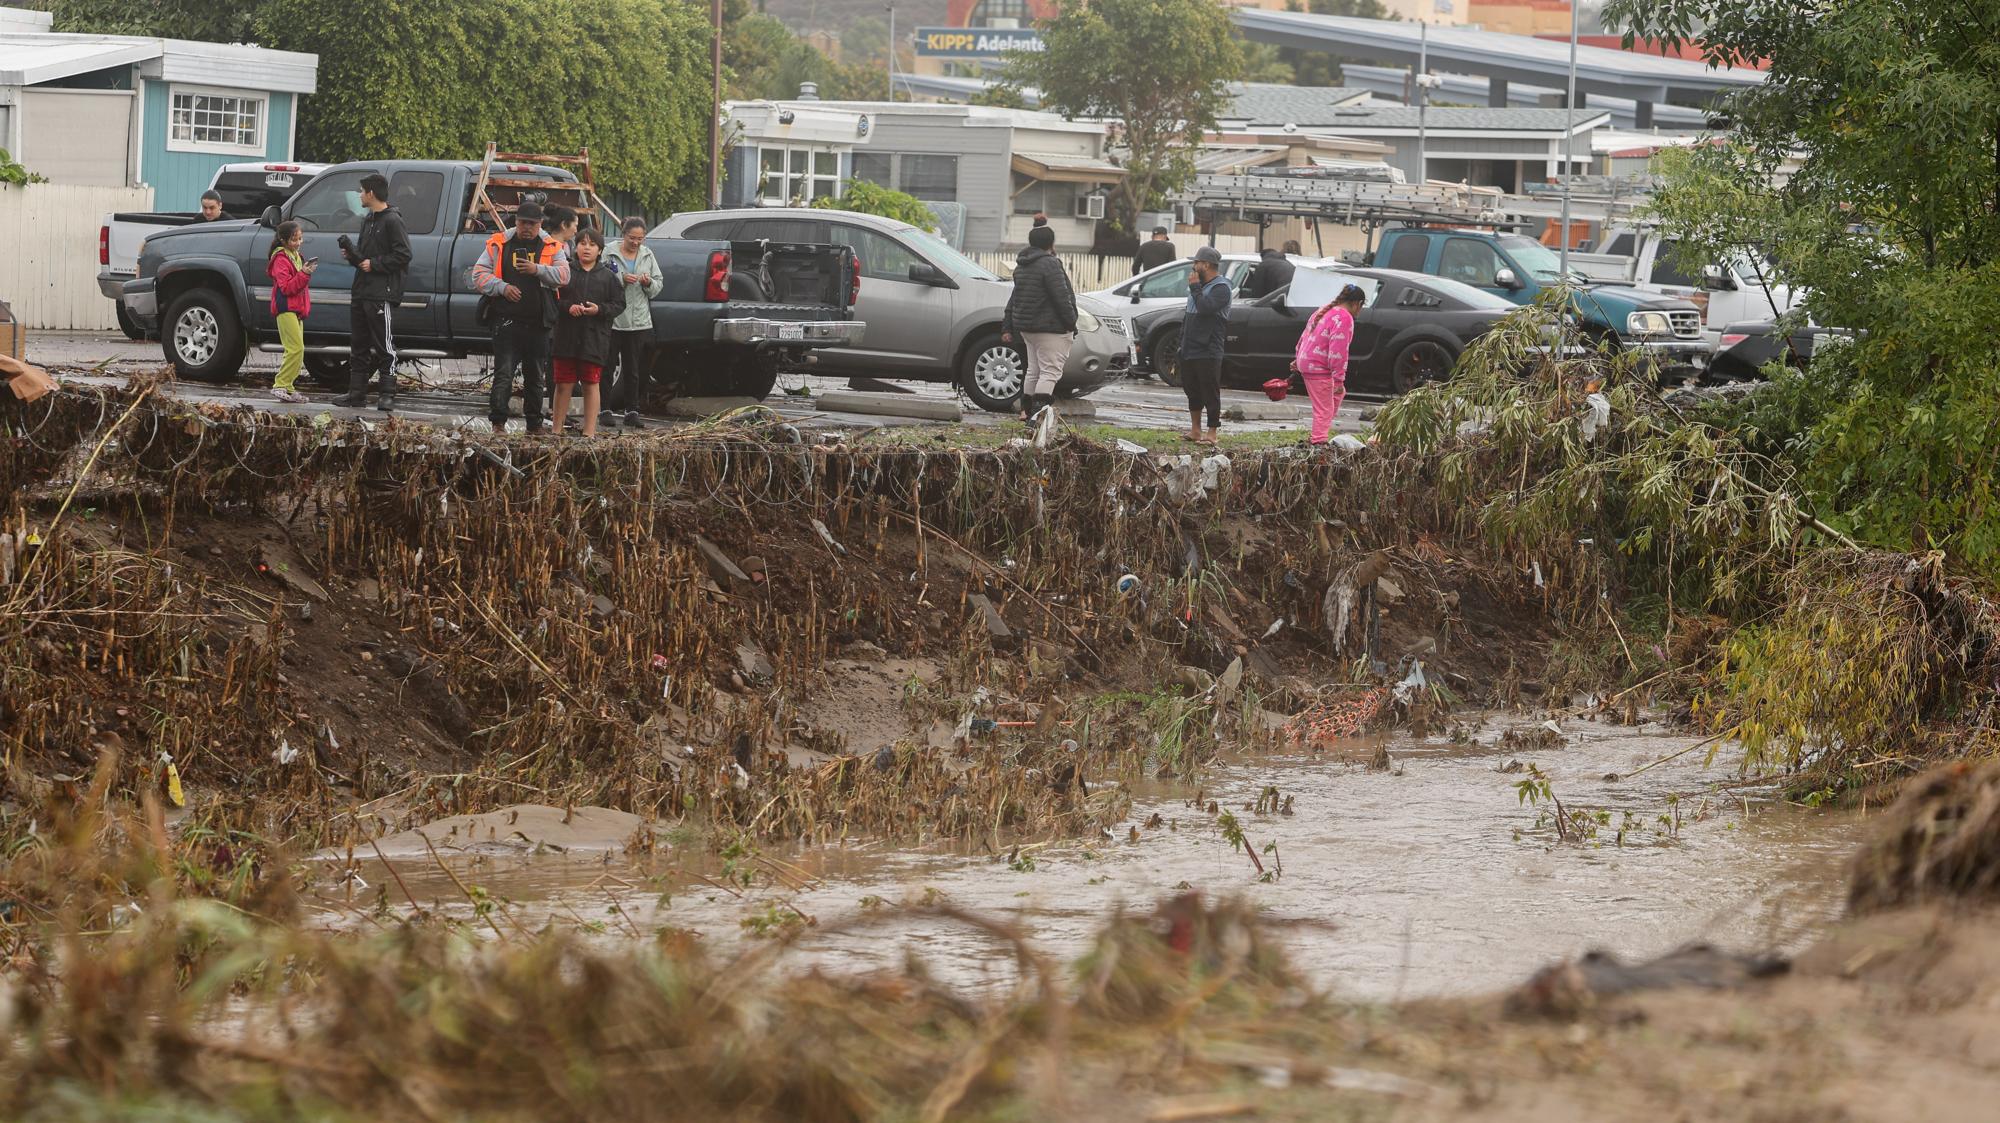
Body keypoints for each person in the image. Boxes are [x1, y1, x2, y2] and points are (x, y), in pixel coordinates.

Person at [471, 200, 570, 433]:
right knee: (504, 373)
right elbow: (478, 274)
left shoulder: (551, 246)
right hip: (506, 322)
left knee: (535, 377)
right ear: (516, 222)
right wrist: (502, 287)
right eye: (523, 223)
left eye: (532, 224)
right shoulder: (498, 243)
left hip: (538, 324)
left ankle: (534, 425)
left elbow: (564, 276)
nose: (527, 227)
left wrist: (538, 270)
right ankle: (498, 423)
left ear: (540, 224)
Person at [332, 173, 412, 411]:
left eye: (361, 191)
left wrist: (375, 264)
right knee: (358, 344)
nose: (359, 195)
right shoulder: (368, 220)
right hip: (361, 291)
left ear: (372, 193)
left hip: (380, 293)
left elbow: (403, 254)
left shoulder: (392, 221)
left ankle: (387, 393)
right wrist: (353, 256)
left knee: (384, 345)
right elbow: (365, 256)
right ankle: (356, 393)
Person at [551, 228, 626, 438]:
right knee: (563, 384)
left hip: (595, 339)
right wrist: (568, 307)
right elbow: (552, 299)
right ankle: (556, 430)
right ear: (576, 247)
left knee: (591, 384)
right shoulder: (565, 271)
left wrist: (599, 310)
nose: (587, 248)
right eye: (582, 243)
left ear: (600, 250)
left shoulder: (608, 277)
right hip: (566, 336)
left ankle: (589, 432)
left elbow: (619, 304)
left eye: (592, 245)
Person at [1001, 224, 1077, 423]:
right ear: (1051, 243)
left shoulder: (1022, 264)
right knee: (1050, 371)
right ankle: (1037, 417)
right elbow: (1062, 297)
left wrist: (1008, 324)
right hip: (1050, 327)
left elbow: (1015, 297)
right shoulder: (1050, 264)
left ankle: (1026, 412)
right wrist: (1071, 322)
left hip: (1027, 328)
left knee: (1033, 370)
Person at [1292, 283, 1367, 447]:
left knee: (1333, 398)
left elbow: (1305, 334)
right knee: (1324, 409)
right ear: (1357, 304)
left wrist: (1298, 358)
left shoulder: (1324, 310)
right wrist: (1339, 380)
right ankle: (1318, 442)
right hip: (1319, 367)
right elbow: (1338, 351)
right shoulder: (1344, 318)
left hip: (1307, 362)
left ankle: (1319, 431)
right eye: (1361, 307)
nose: (1360, 311)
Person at [605, 217, 663, 429]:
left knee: (634, 369)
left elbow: (658, 284)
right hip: (613, 319)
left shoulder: (648, 254)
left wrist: (648, 283)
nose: (636, 243)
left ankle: (632, 410)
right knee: (607, 366)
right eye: (632, 238)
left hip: (638, 321)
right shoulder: (609, 251)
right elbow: (600, 279)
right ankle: (605, 409)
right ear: (624, 234)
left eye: (640, 239)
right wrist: (621, 279)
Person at [1180, 244, 1232, 445]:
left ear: (1207, 265)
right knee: (1192, 389)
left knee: (1210, 389)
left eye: (1196, 262)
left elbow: (1205, 308)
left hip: (1208, 348)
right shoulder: (1197, 287)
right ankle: (1195, 430)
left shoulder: (1221, 288)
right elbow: (1189, 313)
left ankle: (1212, 433)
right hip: (1189, 346)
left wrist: (1195, 288)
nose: (1193, 266)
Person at [266, 220, 315, 403]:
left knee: (296, 350)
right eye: (294, 239)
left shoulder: (296, 255)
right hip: (285, 308)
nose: (298, 242)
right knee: (295, 348)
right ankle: (280, 384)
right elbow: (286, 288)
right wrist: (305, 273)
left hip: (296, 309)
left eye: (300, 238)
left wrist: (304, 271)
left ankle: (288, 387)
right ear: (283, 240)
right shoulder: (280, 259)